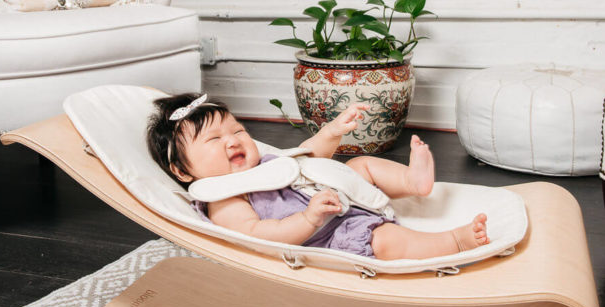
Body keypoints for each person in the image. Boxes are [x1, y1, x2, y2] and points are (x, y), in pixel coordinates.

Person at [147, 92, 489, 261]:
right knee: (382, 241)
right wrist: (309, 219)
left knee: (361, 165)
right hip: (327, 232)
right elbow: (257, 234)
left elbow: (308, 156)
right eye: (214, 139)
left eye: (237, 129)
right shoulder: (223, 197)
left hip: (335, 197)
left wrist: (334, 130)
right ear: (181, 169)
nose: (233, 139)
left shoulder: (265, 162)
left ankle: (412, 183)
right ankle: (453, 242)